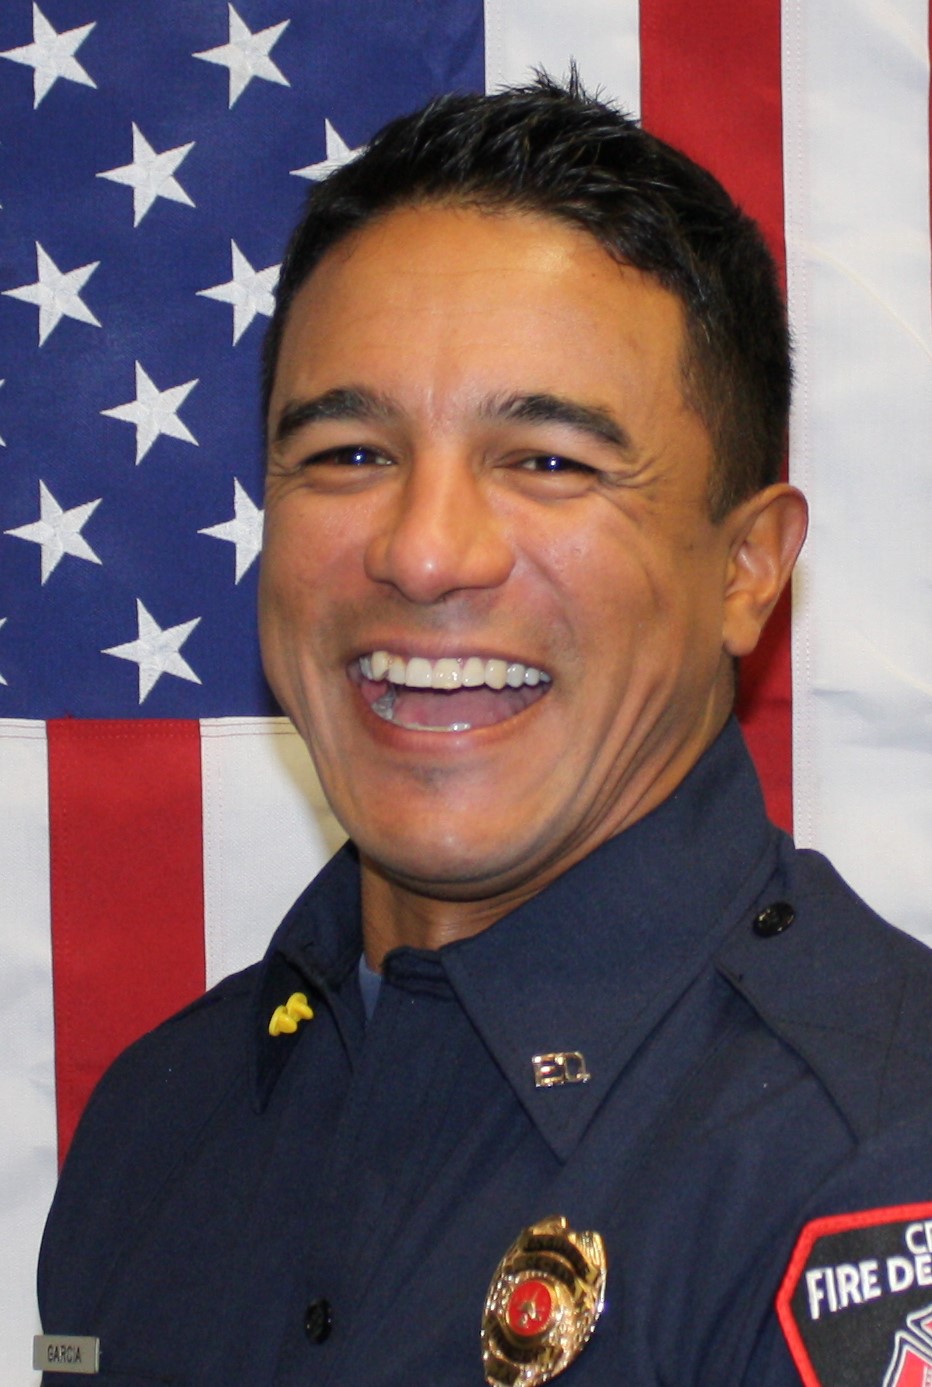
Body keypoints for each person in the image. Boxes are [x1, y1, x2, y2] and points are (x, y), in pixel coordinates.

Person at [36, 75, 932, 1387]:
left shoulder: (879, 1154)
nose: (423, 551)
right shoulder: (158, 1125)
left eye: (549, 462)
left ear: (747, 570)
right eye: (347, 454)